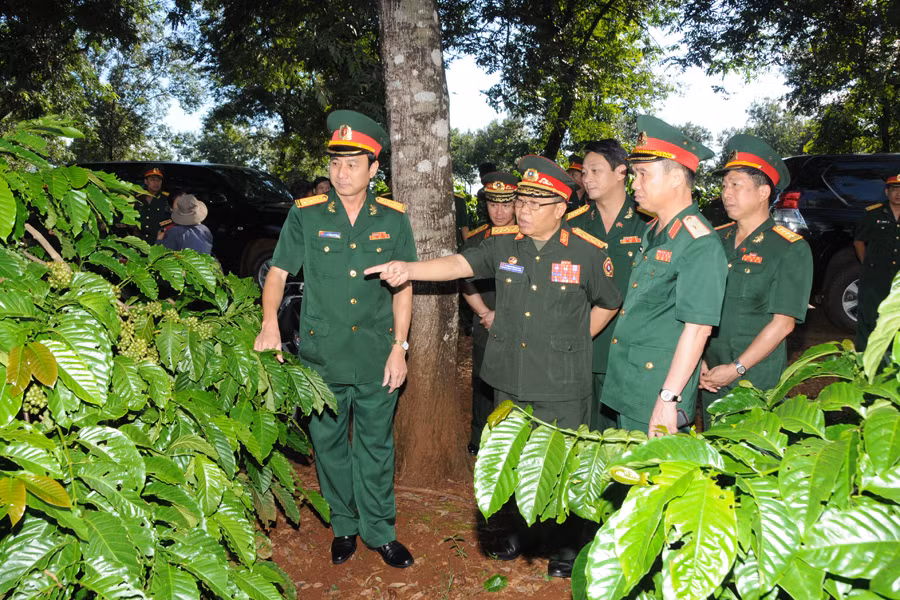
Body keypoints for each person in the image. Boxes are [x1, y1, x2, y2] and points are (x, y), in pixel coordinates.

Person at [366, 155, 622, 579]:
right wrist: (409, 268)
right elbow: (458, 265)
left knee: (562, 464)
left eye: (534, 204)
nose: (522, 209)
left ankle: (565, 546)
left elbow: (610, 302)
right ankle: (524, 533)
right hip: (509, 378)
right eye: (521, 200)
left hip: (561, 383)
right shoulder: (502, 244)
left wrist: (575, 342)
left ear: (560, 208)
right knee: (519, 460)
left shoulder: (587, 252)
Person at [253, 110, 417, 569]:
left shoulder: (393, 220)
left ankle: (380, 531)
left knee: (376, 447)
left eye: (351, 164)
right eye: (335, 163)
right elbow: (278, 272)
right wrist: (270, 323)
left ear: (372, 170)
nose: (340, 173)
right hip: (320, 357)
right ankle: (344, 526)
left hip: (376, 354)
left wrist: (400, 348)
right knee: (328, 447)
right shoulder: (305, 216)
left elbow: (405, 286)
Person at [599, 115, 727, 436]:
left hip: (658, 390)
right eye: (634, 174)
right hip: (634, 381)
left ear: (675, 179)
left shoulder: (699, 243)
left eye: (643, 174)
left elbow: (698, 330)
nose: (634, 184)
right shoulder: (655, 229)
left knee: (655, 480)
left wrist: (669, 398)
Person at [699, 135, 813, 428]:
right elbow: (698, 307)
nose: (726, 193)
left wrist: (736, 369)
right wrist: (698, 362)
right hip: (710, 374)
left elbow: (783, 323)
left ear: (763, 192)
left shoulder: (789, 248)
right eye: (724, 186)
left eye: (736, 184)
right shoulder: (716, 240)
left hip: (754, 379)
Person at [565, 139, 651, 430]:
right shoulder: (572, 224)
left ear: (621, 173)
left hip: (630, 347)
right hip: (583, 343)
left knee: (626, 438)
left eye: (595, 170)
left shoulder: (648, 223)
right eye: (584, 172)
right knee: (582, 432)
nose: (586, 178)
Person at [460, 171, 518, 455]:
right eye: (494, 204)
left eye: (506, 204)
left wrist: (505, 314)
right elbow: (464, 281)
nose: (499, 211)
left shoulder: (527, 237)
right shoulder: (475, 240)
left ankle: (510, 443)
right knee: (482, 382)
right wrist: (485, 313)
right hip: (485, 322)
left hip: (520, 324)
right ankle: (478, 440)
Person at [854, 174, 900, 350]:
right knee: (869, 317)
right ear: (887, 192)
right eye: (894, 189)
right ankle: (863, 360)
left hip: (898, 278)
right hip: (875, 277)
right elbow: (859, 241)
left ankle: (891, 361)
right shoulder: (873, 213)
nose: (898, 194)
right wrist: (866, 264)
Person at [137, 167, 171, 243]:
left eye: (159, 180)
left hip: (160, 240)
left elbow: (172, 219)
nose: (156, 183)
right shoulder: (138, 198)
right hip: (140, 241)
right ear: (146, 181)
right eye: (152, 180)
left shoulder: (167, 199)